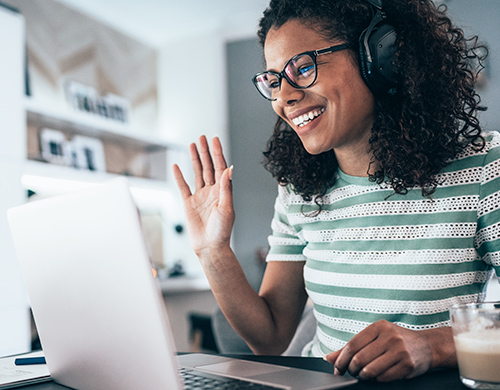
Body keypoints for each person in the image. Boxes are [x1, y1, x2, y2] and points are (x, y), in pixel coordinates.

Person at [173, 0, 500, 382]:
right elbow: (271, 338)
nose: (283, 98)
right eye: (274, 80)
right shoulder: (299, 191)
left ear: (379, 56)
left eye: (304, 67)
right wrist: (213, 252)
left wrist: (435, 344)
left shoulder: (482, 167)